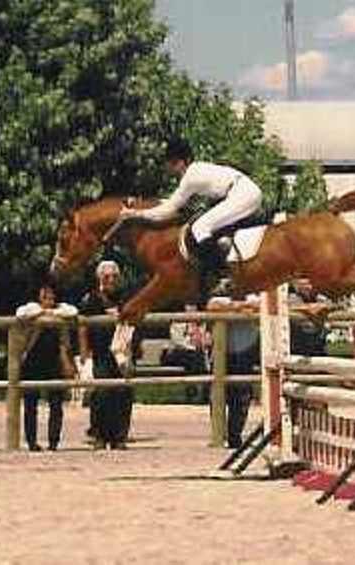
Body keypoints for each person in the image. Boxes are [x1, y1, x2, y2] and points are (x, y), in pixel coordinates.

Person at [119, 138, 264, 290]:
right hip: (245, 191)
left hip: (242, 195)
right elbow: (175, 203)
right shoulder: (198, 169)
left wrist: (134, 213)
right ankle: (225, 252)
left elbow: (167, 211)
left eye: (174, 162)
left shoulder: (190, 177)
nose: (170, 167)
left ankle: (224, 275)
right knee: (206, 223)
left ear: (184, 161)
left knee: (199, 228)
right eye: (170, 163)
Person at [16, 278, 78, 451]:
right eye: (45, 297)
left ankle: (53, 442)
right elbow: (21, 313)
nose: (49, 301)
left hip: (54, 360)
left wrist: (51, 313)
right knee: (30, 404)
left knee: (56, 404)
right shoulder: (31, 308)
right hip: (33, 361)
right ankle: (31, 441)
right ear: (39, 298)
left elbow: (72, 311)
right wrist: (42, 313)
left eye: (51, 297)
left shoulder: (61, 309)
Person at [79, 260, 134, 450]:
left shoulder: (124, 298)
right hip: (101, 351)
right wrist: (85, 353)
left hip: (121, 352)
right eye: (107, 276)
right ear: (100, 278)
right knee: (101, 394)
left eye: (114, 276)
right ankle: (99, 435)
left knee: (123, 392)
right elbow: (83, 326)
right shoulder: (91, 299)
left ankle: (119, 437)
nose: (111, 279)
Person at [206, 291, 260, 449]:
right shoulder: (219, 297)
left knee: (242, 396)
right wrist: (239, 307)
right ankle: (219, 434)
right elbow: (212, 306)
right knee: (218, 394)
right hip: (222, 351)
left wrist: (234, 308)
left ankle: (235, 436)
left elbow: (260, 306)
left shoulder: (254, 296)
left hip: (246, 351)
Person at [287, 278, 329, 356]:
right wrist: (308, 310)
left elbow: (325, 308)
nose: (307, 287)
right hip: (298, 344)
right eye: (303, 285)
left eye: (309, 284)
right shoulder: (292, 298)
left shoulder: (321, 298)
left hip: (317, 344)